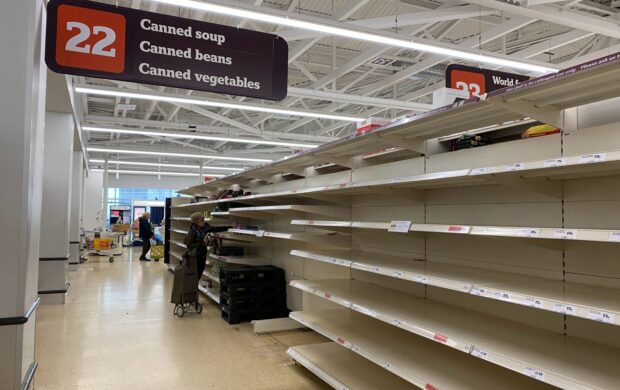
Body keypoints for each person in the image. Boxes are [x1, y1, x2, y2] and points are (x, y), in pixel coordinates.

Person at [184, 212, 230, 284]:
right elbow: (188, 245)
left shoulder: (205, 228)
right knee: (196, 275)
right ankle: (192, 291)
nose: (204, 221)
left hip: (202, 255)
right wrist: (203, 242)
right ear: (197, 221)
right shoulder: (193, 231)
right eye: (202, 219)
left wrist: (230, 227)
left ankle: (194, 289)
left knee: (199, 274)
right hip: (195, 256)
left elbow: (215, 229)